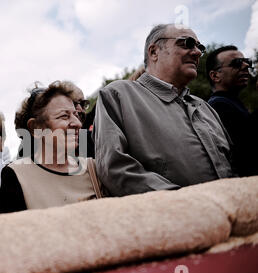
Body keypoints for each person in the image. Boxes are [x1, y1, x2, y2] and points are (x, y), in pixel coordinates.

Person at [93, 23, 234, 197]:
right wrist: (185, 203)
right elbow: (113, 167)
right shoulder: (118, 94)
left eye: (200, 47)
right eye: (187, 43)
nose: (197, 52)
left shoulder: (205, 108)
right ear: (154, 52)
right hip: (169, 220)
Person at [0, 81, 101, 213]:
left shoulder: (93, 169)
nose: (77, 124)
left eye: (76, 115)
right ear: (36, 127)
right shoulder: (16, 175)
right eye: (64, 116)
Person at [206, 45, 258, 176]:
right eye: (237, 63)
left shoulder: (230, 103)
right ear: (215, 76)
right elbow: (248, 152)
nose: (246, 65)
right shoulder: (218, 106)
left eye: (247, 61)